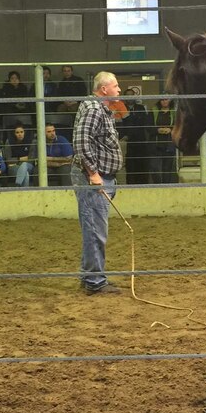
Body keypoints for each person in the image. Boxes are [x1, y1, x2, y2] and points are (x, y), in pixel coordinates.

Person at [71, 71, 124, 295]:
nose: (119, 89)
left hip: (99, 175)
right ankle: (95, 281)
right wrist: (93, 172)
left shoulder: (99, 108)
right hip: (94, 177)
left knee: (93, 228)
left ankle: (89, 275)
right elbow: (81, 142)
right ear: (104, 89)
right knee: (95, 230)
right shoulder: (94, 109)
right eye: (116, 85)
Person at [120, 89, 151, 184]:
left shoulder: (141, 108)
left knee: (141, 165)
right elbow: (120, 124)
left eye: (132, 95)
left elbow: (144, 123)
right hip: (126, 142)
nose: (130, 97)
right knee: (129, 167)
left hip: (140, 141)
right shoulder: (121, 108)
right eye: (127, 95)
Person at [152, 96, 179, 184]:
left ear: (170, 101)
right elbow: (147, 126)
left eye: (166, 99)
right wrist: (157, 130)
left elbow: (179, 125)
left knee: (167, 168)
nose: (164, 102)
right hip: (156, 143)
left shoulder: (174, 112)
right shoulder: (154, 111)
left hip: (169, 143)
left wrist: (171, 130)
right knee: (155, 167)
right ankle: (157, 186)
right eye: (162, 100)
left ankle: (166, 186)